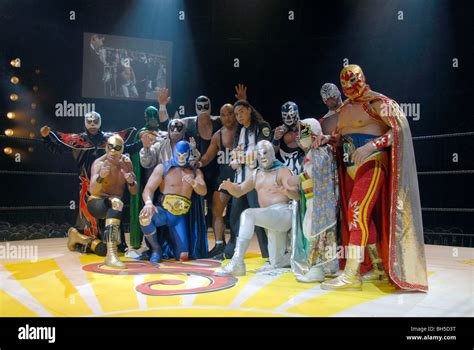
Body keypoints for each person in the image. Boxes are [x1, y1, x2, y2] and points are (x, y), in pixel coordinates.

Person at [314, 64, 428, 292]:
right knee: (363, 217)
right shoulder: (345, 108)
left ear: (363, 79)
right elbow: (341, 137)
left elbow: (399, 130)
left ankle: (352, 274)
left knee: (357, 212)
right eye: (345, 85)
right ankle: (377, 267)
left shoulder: (379, 103)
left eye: (352, 82)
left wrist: (371, 147)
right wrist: (328, 140)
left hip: (373, 163)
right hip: (349, 168)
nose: (349, 88)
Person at [40, 111, 142, 256]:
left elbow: (127, 148)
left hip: (108, 184)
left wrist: (141, 144)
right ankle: (87, 240)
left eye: (96, 121)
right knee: (89, 218)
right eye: (90, 121)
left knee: (114, 206)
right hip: (89, 183)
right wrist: (46, 138)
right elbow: (59, 148)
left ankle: (112, 243)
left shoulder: (110, 140)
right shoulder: (78, 140)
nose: (93, 124)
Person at [215, 140, 293, 276]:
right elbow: (239, 190)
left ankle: (237, 262)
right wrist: (230, 186)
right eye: (259, 153)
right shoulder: (256, 173)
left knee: (248, 214)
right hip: (271, 220)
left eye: (265, 152)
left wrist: (289, 191)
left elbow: (294, 191)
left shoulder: (282, 171)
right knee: (277, 261)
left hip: (284, 214)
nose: (262, 156)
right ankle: (296, 257)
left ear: (272, 153)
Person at [283, 119, 339, 283]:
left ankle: (316, 269)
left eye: (302, 133)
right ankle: (328, 265)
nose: (298, 138)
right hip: (319, 200)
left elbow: (315, 175)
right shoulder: (323, 150)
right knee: (326, 234)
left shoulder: (318, 151)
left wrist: (296, 179)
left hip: (318, 201)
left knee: (313, 231)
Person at [139, 141, 207, 262]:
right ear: (174, 153)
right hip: (163, 212)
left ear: (189, 154)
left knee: (183, 256)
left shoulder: (195, 172)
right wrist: (149, 203)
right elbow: (148, 189)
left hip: (179, 218)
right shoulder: (163, 168)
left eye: (184, 155)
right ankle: (156, 249)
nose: (181, 158)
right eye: (179, 155)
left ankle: (174, 249)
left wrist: (194, 183)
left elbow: (203, 191)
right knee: (145, 217)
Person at [225, 99, 272, 259]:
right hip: (240, 180)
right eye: (236, 114)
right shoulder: (239, 132)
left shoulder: (262, 127)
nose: (239, 116)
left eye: (242, 112)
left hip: (256, 181)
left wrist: (242, 157)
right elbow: (233, 158)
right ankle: (233, 252)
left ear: (249, 110)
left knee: (259, 219)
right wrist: (240, 158)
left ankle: (268, 254)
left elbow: (260, 155)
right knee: (235, 217)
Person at [88, 135, 138, 268]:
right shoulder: (99, 163)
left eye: (116, 149)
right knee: (116, 202)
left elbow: (134, 191)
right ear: (106, 147)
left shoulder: (126, 163)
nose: (112, 152)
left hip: (115, 207)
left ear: (121, 150)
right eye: (110, 148)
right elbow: (92, 190)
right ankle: (111, 256)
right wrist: (100, 177)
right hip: (97, 202)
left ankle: (78, 238)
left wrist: (131, 181)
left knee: (104, 248)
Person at [129, 95, 170, 250]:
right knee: (146, 203)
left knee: (162, 205)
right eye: (150, 116)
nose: (153, 119)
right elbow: (139, 147)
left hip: (161, 172)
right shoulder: (142, 132)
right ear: (146, 118)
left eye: (155, 116)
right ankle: (145, 243)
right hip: (146, 172)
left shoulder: (162, 132)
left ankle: (163, 242)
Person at [197, 104, 238, 258]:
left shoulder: (243, 131)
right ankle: (219, 245)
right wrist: (197, 163)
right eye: (223, 114)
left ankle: (235, 245)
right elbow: (207, 157)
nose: (227, 117)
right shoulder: (217, 135)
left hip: (241, 178)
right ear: (219, 117)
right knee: (216, 211)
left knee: (237, 214)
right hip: (223, 177)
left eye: (230, 114)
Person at [272, 101, 306, 175]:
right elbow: (271, 154)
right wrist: (275, 139)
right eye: (285, 115)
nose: (288, 118)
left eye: (291, 114)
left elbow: (311, 151)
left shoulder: (304, 128)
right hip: (283, 172)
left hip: (303, 169)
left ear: (296, 113)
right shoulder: (278, 131)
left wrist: (301, 143)